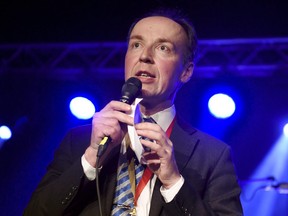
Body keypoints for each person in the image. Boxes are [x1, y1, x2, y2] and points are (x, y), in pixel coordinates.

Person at [24, 7, 243, 216]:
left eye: (163, 48)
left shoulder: (212, 156)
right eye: (136, 45)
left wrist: (174, 182)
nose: (145, 56)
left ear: (186, 72)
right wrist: (91, 158)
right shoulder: (79, 141)